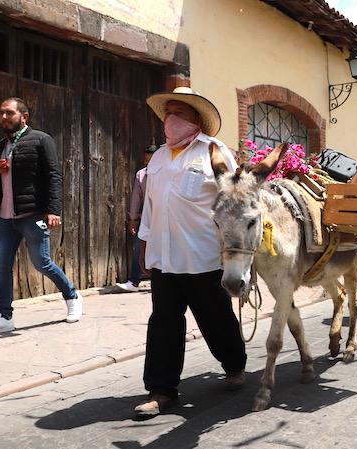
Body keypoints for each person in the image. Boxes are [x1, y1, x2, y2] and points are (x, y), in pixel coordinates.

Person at [133, 87, 247, 417]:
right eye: (167, 113)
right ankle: (161, 390)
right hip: (163, 254)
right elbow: (151, 208)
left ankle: (234, 364)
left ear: (196, 119)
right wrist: (144, 245)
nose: (171, 119)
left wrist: (234, 252)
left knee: (215, 317)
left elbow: (233, 202)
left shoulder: (214, 151)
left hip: (203, 255)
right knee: (164, 321)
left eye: (179, 112)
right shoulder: (157, 158)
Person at [0, 97, 83, 335]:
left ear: (24, 117)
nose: (4, 117)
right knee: (1, 266)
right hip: (6, 218)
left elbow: (54, 176)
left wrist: (54, 210)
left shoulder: (41, 140)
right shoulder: (0, 146)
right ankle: (4, 316)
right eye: (1, 113)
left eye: (9, 113)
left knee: (41, 263)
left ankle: (72, 296)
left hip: (31, 214)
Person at [116, 145, 158, 292]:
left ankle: (161, 282)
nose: (148, 163)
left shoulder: (166, 173)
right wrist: (133, 218)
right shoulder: (141, 175)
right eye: (146, 160)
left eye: (151, 160)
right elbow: (136, 198)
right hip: (147, 218)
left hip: (164, 218)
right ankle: (134, 282)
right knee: (139, 249)